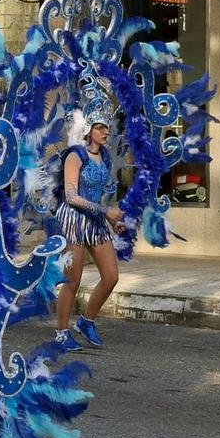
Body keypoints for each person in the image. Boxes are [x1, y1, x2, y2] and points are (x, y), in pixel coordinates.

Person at [53, 112, 122, 351]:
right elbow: (72, 197)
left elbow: (99, 195)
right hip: (73, 219)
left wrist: (111, 220)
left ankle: (86, 321)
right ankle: (61, 333)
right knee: (73, 280)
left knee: (111, 276)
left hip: (95, 221)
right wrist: (106, 211)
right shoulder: (75, 155)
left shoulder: (104, 157)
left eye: (107, 128)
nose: (105, 132)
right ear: (88, 130)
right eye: (100, 127)